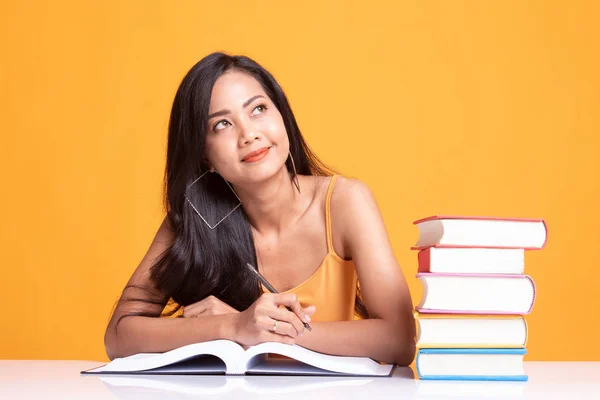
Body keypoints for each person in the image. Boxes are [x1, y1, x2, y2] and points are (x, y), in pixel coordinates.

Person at [104, 52, 416, 366]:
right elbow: (118, 335)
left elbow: (400, 340)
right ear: (204, 156)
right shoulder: (195, 218)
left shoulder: (344, 201)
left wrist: (266, 331)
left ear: (282, 115)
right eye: (222, 124)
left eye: (258, 109)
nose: (249, 134)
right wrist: (232, 326)